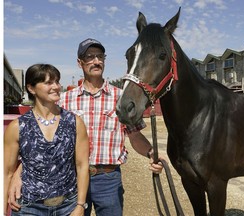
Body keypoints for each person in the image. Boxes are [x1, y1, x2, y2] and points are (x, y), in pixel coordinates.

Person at [8, 39, 163, 216]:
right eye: (90, 57)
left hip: (108, 179)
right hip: (70, 179)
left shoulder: (121, 98)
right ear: (79, 62)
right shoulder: (64, 100)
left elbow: (135, 136)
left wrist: (152, 154)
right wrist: (19, 172)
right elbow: (43, 141)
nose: (96, 61)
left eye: (100, 56)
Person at [4, 64, 90, 216]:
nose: (56, 86)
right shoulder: (17, 127)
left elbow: (82, 165)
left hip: (67, 206)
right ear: (31, 88)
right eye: (48, 82)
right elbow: (7, 173)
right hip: (28, 208)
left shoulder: (74, 122)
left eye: (57, 81)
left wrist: (80, 206)